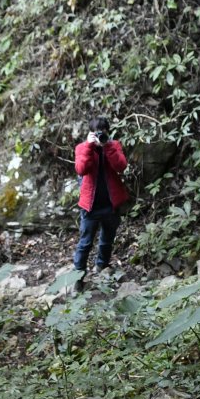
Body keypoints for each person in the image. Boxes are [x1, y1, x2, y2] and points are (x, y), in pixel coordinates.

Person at [72, 117, 129, 290]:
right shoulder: (82, 147)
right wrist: (89, 146)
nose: (100, 136)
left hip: (111, 204)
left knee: (107, 239)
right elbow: (81, 169)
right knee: (85, 243)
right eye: (97, 133)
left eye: (103, 132)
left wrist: (108, 147)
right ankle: (78, 278)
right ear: (90, 133)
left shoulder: (114, 145)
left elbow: (121, 166)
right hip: (90, 206)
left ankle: (102, 265)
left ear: (107, 132)